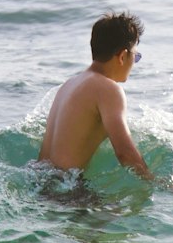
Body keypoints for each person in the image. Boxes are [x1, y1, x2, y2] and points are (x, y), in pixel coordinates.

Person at [38, 11, 153, 181]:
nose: (134, 63)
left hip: (37, 178)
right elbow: (125, 153)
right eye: (135, 56)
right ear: (122, 56)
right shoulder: (108, 89)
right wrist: (157, 183)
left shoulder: (69, 84)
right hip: (66, 190)